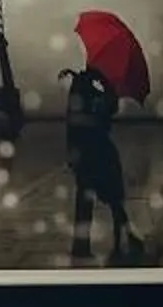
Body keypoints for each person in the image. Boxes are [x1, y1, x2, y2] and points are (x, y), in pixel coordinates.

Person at [58, 66, 141, 266]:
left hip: (86, 154)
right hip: (102, 151)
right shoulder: (99, 97)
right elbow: (112, 106)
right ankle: (125, 238)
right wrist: (102, 78)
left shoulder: (78, 98)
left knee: (86, 202)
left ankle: (82, 244)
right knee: (114, 199)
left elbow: (72, 126)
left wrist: (72, 155)